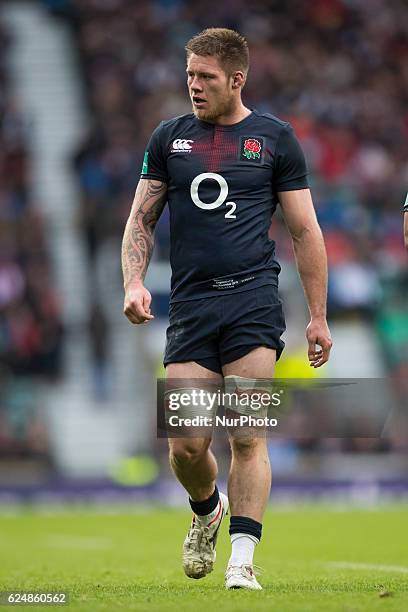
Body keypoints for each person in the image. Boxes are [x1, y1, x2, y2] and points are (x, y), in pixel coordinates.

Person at [122, 27, 332, 590]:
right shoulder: (169, 138)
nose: (193, 85)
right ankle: (206, 510)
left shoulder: (275, 139)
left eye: (205, 77)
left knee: (246, 432)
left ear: (237, 79)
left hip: (253, 301)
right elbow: (140, 219)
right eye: (189, 74)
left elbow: (305, 230)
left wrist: (317, 315)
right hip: (190, 304)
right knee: (188, 444)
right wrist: (135, 282)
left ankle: (242, 557)